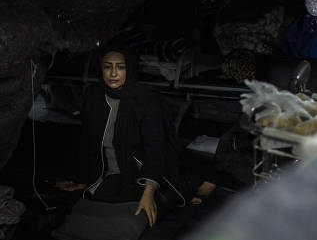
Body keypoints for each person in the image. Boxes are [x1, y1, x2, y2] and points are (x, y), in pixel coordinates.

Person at [56, 42, 216, 226]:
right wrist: (84, 179)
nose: (113, 73)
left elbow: (155, 147)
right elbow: (87, 142)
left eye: (120, 67)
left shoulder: (146, 99)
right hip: (112, 171)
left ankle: (191, 186)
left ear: (129, 69)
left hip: (143, 167)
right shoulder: (94, 96)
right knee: (97, 202)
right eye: (107, 67)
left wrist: (149, 193)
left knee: (162, 199)